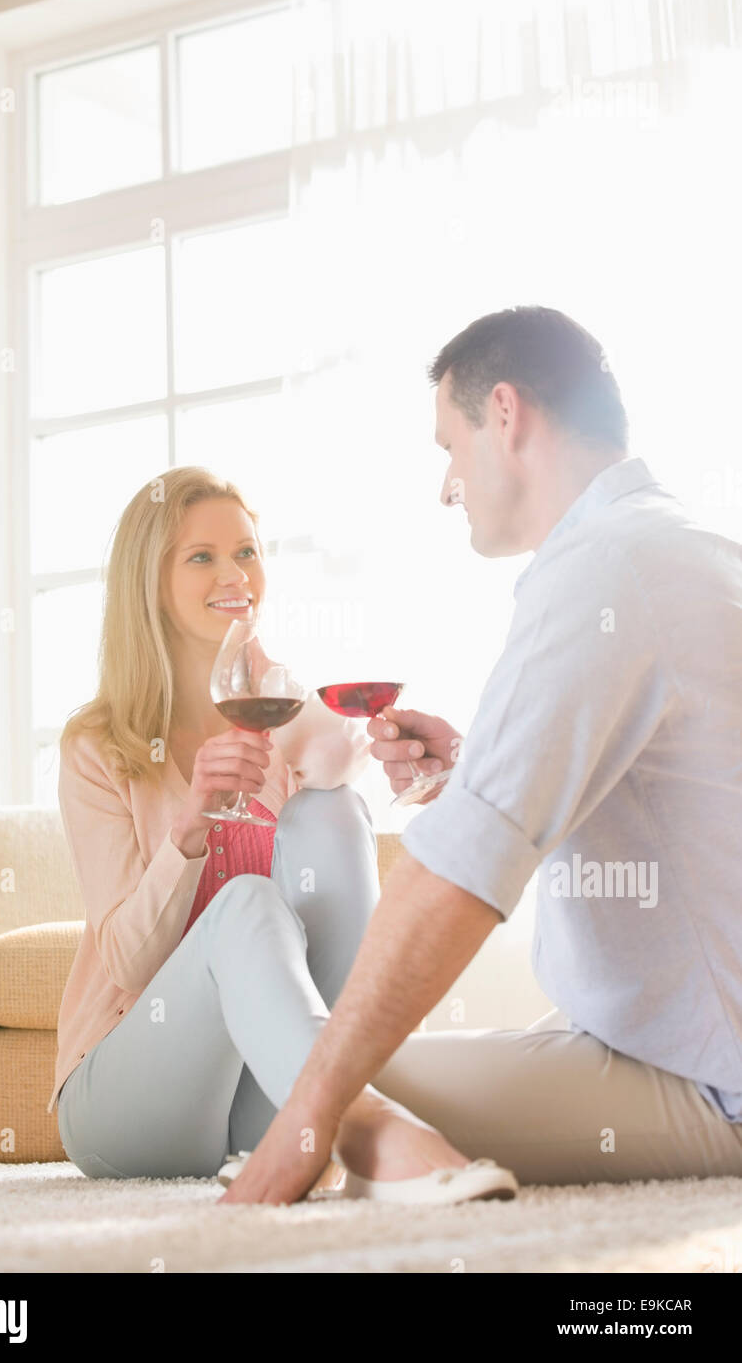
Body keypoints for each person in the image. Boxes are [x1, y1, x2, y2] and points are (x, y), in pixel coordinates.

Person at [218, 304, 742, 1205]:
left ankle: (367, 1150)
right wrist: (477, 767)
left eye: (448, 447)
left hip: (705, 1075)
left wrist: (310, 1121)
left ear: (505, 413)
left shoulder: (603, 573)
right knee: (331, 1072)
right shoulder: (684, 550)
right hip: (678, 1039)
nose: (446, 483)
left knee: (298, 1086)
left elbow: (452, 878)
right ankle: (383, 1142)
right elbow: (680, 807)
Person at [51, 465, 518, 1203]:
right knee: (246, 902)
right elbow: (128, 964)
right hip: (127, 1104)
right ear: (149, 581)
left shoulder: (271, 703)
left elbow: (338, 755)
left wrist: (405, 756)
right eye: (201, 556)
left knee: (333, 811)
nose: (235, 572)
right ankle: (369, 1128)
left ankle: (332, 1099)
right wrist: (191, 827)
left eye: (247, 551)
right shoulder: (97, 745)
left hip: (256, 1108)